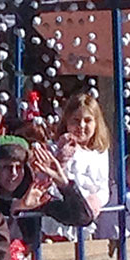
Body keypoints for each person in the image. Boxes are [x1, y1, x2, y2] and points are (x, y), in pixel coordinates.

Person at [0, 135, 96, 250]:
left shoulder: (33, 195)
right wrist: (18, 205)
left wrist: (64, 185)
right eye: (7, 167)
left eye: (19, 167)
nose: (14, 173)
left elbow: (83, 217)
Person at [48, 91, 111, 236]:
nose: (81, 126)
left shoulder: (100, 151)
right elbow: (50, 185)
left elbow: (104, 187)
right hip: (59, 226)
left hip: (87, 224)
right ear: (67, 121)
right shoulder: (56, 147)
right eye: (76, 120)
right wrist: (60, 157)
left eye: (88, 120)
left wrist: (97, 200)